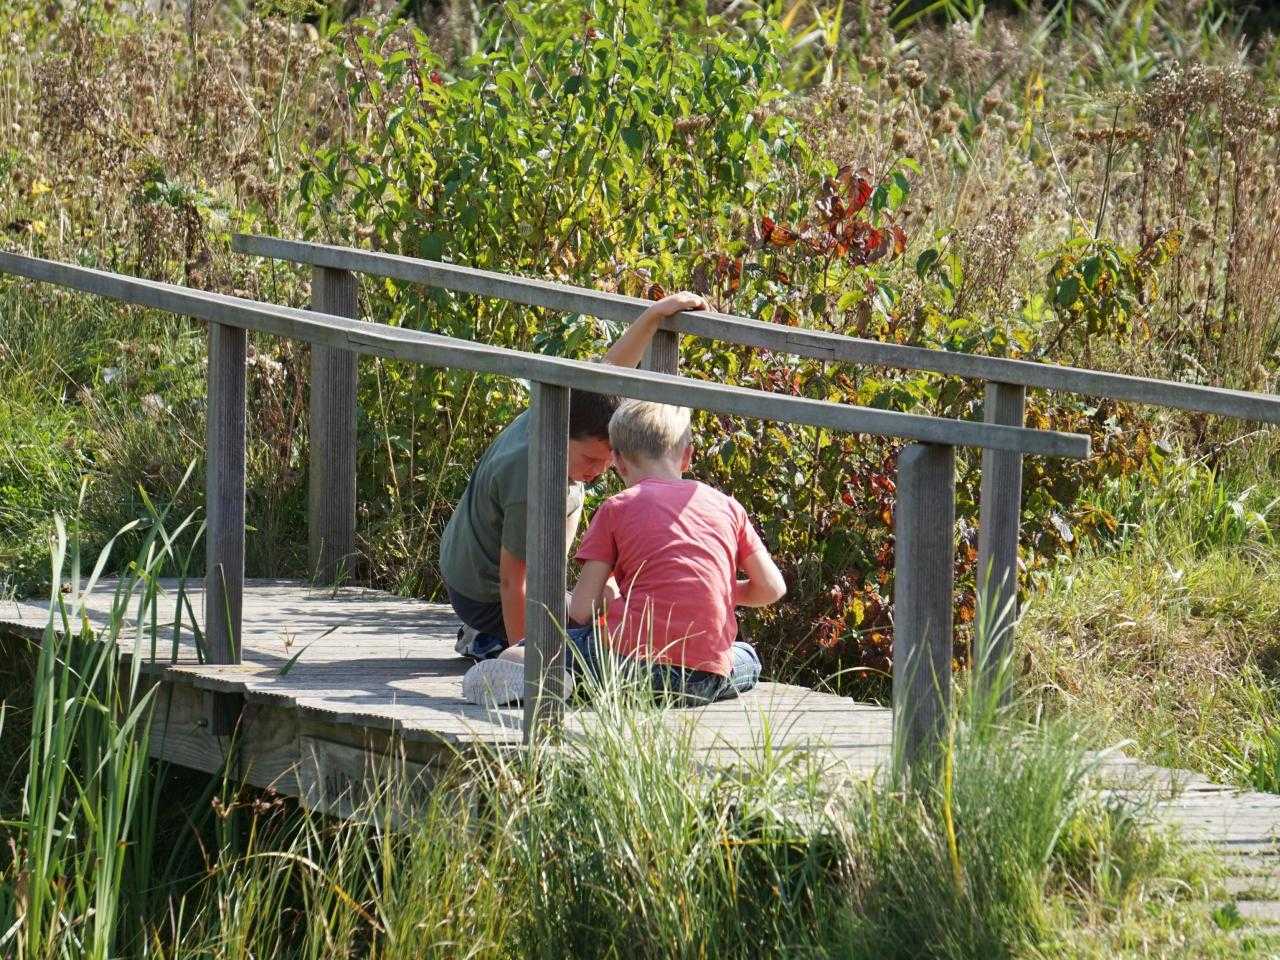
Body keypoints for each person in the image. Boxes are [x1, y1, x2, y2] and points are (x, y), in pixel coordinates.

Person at [462, 398, 786, 708]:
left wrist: (612, 600)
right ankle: (580, 681)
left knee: (523, 652)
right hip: (704, 677)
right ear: (687, 456)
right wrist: (721, 592)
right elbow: (772, 588)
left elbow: (582, 608)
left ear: (616, 460)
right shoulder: (728, 507)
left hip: (628, 668)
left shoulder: (617, 508)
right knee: (747, 657)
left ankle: (558, 677)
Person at [441, 293, 707, 661]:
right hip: (482, 593)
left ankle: (494, 635)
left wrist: (654, 316)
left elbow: (607, 375)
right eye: (590, 459)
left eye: (608, 460)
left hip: (478, 572)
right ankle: (492, 637)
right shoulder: (532, 477)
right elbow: (513, 580)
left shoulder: (559, 409)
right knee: (593, 644)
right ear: (566, 435)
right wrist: (526, 662)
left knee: (603, 609)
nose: (598, 471)